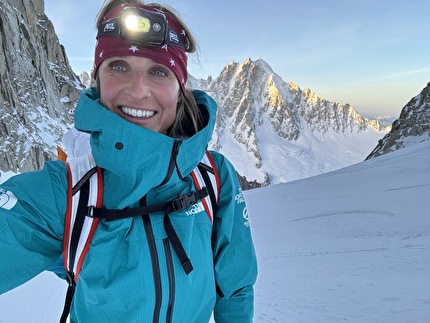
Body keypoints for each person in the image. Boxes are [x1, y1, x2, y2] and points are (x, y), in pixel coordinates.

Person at [0, 0, 257, 322]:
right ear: (98, 80)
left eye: (159, 71)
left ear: (180, 88)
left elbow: (235, 284)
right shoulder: (64, 192)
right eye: (118, 66)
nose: (138, 91)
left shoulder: (214, 175)